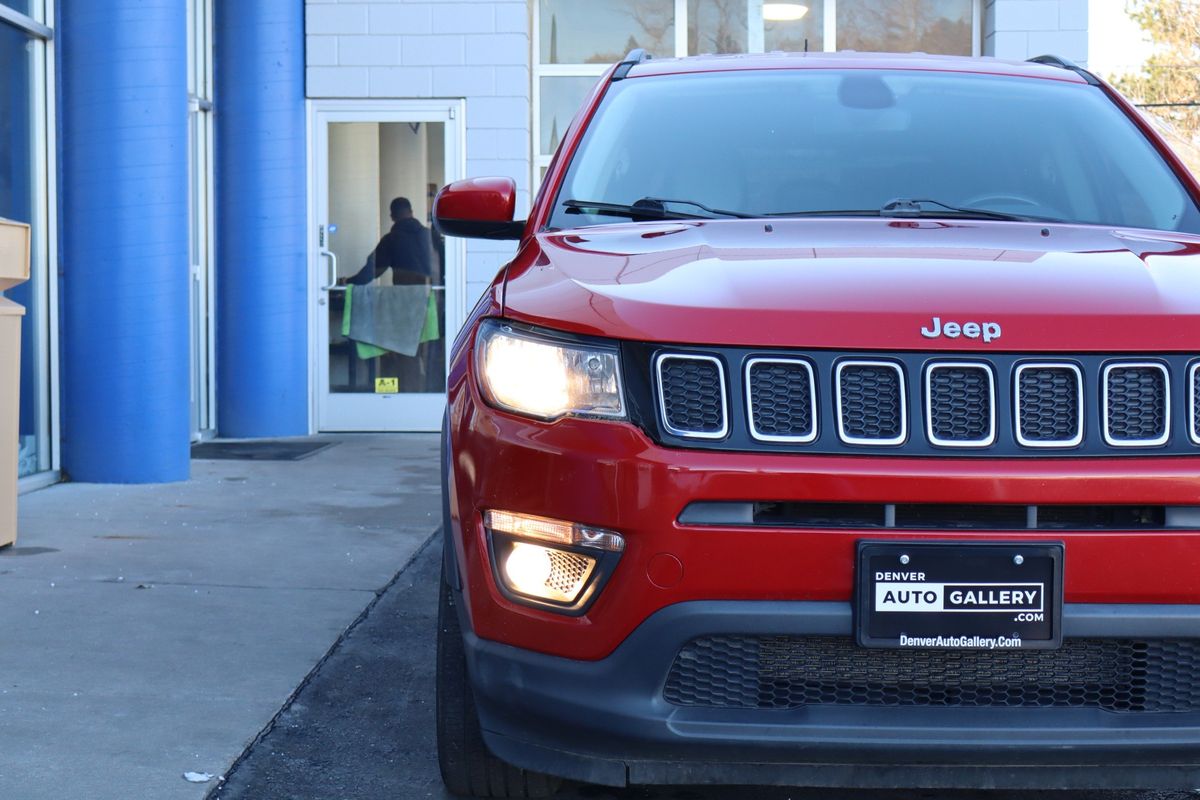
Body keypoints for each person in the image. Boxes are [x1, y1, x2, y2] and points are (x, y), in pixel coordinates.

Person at [348, 197, 433, 286]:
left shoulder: (390, 240)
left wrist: (347, 282)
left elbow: (370, 272)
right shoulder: (431, 236)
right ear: (411, 212)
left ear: (392, 217)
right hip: (431, 293)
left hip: (405, 293)